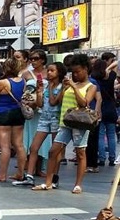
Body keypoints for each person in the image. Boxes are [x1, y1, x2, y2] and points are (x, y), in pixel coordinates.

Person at [32, 54, 97, 194]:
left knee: (80, 152)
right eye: (73, 71)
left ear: (85, 69)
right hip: (64, 122)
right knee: (53, 151)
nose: (75, 74)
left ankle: (78, 184)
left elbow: (84, 102)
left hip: (80, 123)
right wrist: (55, 87)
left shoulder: (91, 86)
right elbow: (55, 101)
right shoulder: (68, 85)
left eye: (78, 71)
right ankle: (48, 182)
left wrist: (73, 87)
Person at [17, 61, 65, 187]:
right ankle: (29, 175)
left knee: (55, 150)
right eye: (48, 70)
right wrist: (39, 92)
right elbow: (40, 104)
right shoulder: (45, 85)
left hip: (56, 118)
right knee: (34, 147)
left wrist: (48, 87)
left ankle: (54, 176)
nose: (48, 73)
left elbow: (54, 102)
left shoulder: (62, 87)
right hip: (44, 118)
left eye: (52, 71)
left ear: (59, 73)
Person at [0, 58, 28, 182]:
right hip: (18, 113)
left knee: (5, 147)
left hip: (3, 114)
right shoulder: (23, 81)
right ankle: (20, 173)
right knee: (19, 145)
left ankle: (2, 175)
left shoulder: (3, 83)